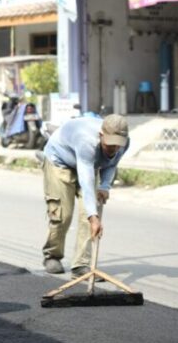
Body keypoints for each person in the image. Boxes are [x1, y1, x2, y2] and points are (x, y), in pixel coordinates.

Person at [41, 114, 130, 279]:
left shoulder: (124, 143)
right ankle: (52, 255)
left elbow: (111, 164)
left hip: (89, 165)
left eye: (118, 145)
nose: (114, 149)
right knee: (62, 214)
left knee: (86, 217)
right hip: (59, 162)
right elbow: (86, 179)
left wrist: (105, 186)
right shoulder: (87, 140)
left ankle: (81, 265)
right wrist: (93, 216)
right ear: (101, 135)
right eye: (110, 145)